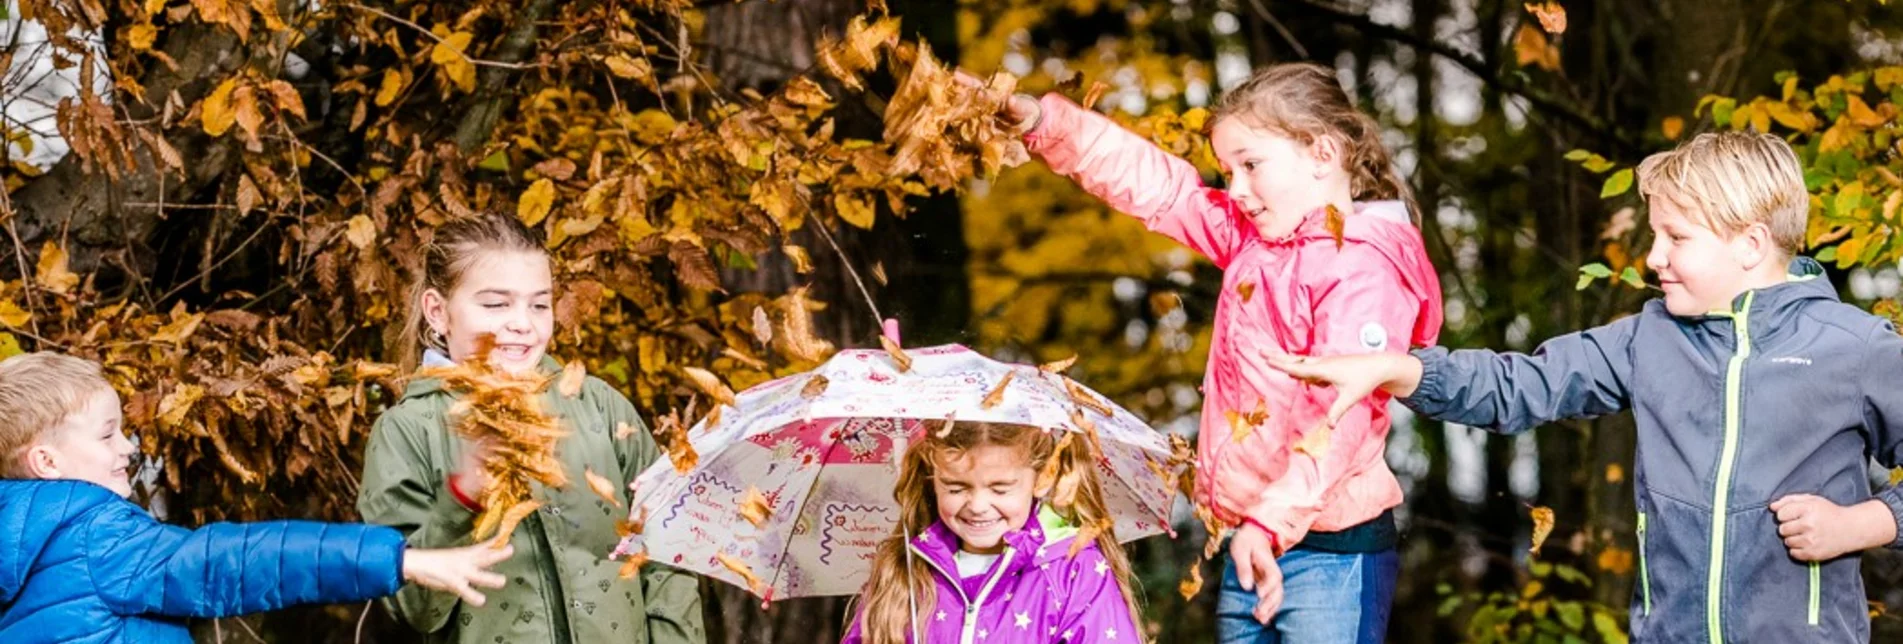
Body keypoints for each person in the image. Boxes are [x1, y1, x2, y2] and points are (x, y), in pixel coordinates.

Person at [1267, 131, 1903, 642]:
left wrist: (1865, 523)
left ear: (1751, 244)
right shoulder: (1648, 339)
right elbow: (1521, 385)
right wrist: (1401, 368)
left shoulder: (1853, 347)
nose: (1654, 257)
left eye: (1676, 238)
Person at [989, 62, 1442, 641]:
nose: (1237, 190)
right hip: (1249, 539)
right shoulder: (1256, 243)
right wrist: (1045, 122)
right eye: (1230, 170)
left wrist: (1267, 525)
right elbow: (1164, 187)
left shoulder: (1362, 270)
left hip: (1331, 550)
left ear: (1322, 154)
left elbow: (1341, 416)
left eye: (1251, 165)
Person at [358, 211, 705, 643]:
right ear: (437, 311)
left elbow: (667, 551)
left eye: (539, 304)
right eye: (496, 304)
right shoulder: (406, 432)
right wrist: (461, 499)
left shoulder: (598, 408)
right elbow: (414, 609)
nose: (522, 322)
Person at [0, 351, 511, 644]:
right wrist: (399, 560)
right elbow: (230, 562)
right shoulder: (94, 539)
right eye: (107, 434)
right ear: (47, 462)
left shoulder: (20, 549)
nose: (128, 447)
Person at [843, 421, 1143, 644]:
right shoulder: (903, 573)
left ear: (1040, 480)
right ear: (933, 482)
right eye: (956, 487)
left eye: (1000, 488)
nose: (977, 506)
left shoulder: (1072, 570)